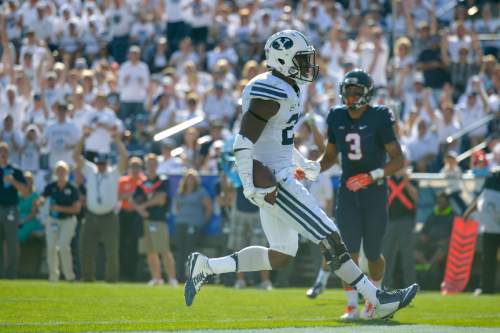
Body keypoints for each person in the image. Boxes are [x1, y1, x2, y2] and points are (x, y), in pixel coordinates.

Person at [184, 30, 418, 320]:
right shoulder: (271, 89)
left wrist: (302, 159)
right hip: (273, 182)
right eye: (301, 59)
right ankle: (377, 299)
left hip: (276, 175)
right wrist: (249, 185)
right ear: (282, 59)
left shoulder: (286, 86)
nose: (307, 64)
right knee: (330, 237)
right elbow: (243, 142)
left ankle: (206, 266)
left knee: (281, 253)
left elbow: (276, 138)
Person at [318, 69, 413, 319]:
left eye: (356, 91)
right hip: (348, 192)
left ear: (367, 94)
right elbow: (329, 157)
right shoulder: (336, 115)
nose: (350, 96)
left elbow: (398, 159)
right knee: (347, 252)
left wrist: (372, 176)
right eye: (348, 91)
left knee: (372, 252)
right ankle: (351, 306)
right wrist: (309, 168)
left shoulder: (379, 116)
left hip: (374, 191)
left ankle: (374, 300)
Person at [74, 127, 128, 282]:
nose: (101, 166)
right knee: (86, 248)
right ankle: (87, 277)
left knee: (112, 250)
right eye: (99, 163)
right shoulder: (91, 170)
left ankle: (111, 279)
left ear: (107, 163)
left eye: (104, 163)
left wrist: (117, 140)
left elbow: (125, 157)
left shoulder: (113, 173)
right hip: (91, 215)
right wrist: (83, 138)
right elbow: (75, 155)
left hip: (109, 216)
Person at [132, 154, 177, 286]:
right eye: (148, 164)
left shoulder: (163, 181)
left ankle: (172, 278)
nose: (151, 166)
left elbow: (161, 199)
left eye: (153, 163)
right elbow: (133, 200)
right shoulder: (142, 183)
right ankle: (157, 278)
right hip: (144, 220)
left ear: (157, 165)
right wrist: (140, 210)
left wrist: (143, 206)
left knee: (164, 249)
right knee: (150, 251)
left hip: (158, 220)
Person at [37, 161, 81, 282]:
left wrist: (61, 208)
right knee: (51, 247)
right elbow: (42, 196)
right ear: (55, 173)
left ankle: (69, 276)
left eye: (63, 171)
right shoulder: (51, 186)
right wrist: (40, 201)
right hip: (53, 220)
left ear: (67, 172)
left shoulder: (72, 189)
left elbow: (77, 209)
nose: (61, 173)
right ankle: (53, 276)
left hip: (68, 220)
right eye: (59, 171)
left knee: (63, 246)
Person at [465, 168, 500, 295]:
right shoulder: (488, 186)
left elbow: (479, 200)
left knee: (488, 261)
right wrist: (467, 213)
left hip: (489, 228)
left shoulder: (488, 184)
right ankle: (486, 288)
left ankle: (486, 288)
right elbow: (479, 200)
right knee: (488, 261)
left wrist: (467, 213)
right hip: (489, 228)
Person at [174, 169, 212, 283]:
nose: (190, 180)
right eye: (188, 177)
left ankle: (190, 276)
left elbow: (209, 208)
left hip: (194, 225)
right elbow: (177, 207)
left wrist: (201, 222)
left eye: (192, 178)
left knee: (190, 251)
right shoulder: (180, 192)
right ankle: (179, 277)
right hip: (181, 223)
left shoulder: (201, 192)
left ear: (196, 180)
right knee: (180, 250)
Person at [0, 142, 27, 279]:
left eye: (5, 151)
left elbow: (25, 191)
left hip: (11, 209)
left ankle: (12, 274)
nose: (3, 154)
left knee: (12, 243)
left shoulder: (16, 171)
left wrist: (13, 182)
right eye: (0, 151)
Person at [118, 157, 145, 281]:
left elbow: (143, 197)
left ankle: (132, 274)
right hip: (123, 214)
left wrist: (129, 196)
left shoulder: (143, 181)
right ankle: (122, 273)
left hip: (136, 215)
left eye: (137, 167)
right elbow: (118, 196)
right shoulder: (123, 181)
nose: (134, 169)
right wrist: (130, 196)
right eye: (132, 166)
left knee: (134, 245)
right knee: (121, 244)